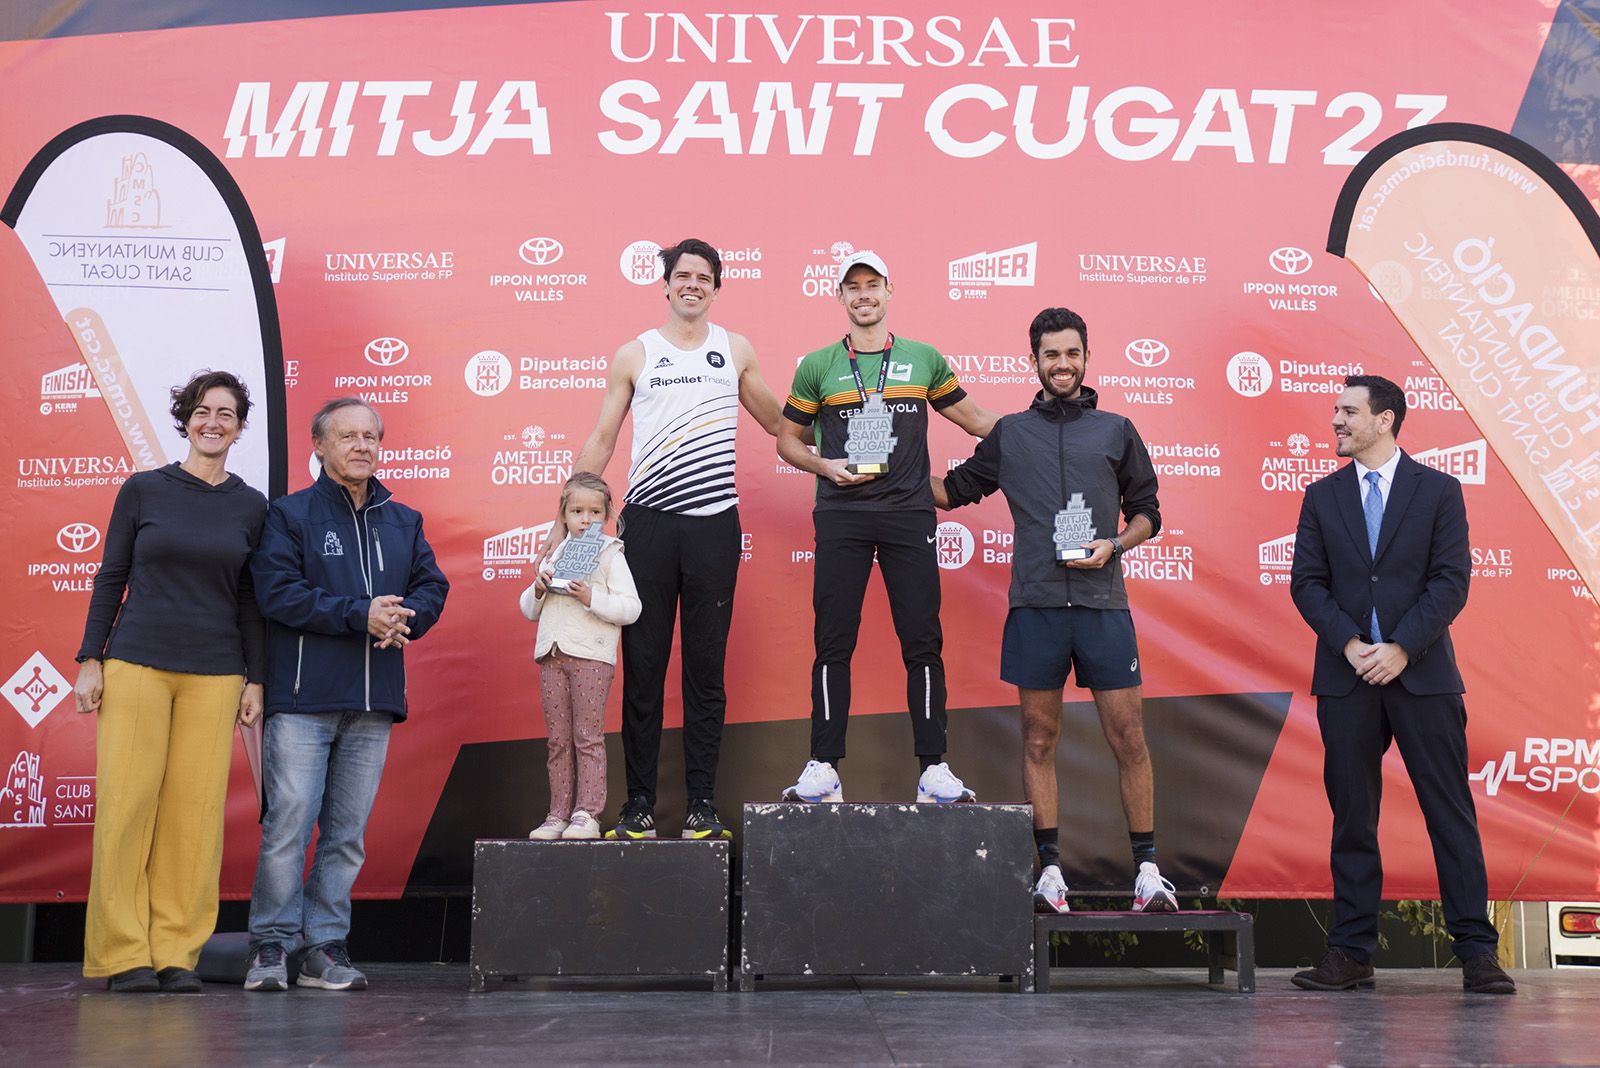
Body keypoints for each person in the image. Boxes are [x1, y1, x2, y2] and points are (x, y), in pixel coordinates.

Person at [934, 307, 1175, 914]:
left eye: (1071, 353)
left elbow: (1149, 512)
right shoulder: (1011, 433)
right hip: (1036, 606)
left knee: (1129, 737)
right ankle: (1049, 874)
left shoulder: (1117, 428)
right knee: (1039, 738)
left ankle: (1147, 871)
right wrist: (888, 475)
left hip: (1102, 605)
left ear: (1086, 356)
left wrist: (1115, 545)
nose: (1061, 364)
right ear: (1033, 361)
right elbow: (955, 491)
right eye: (1050, 355)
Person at [1288, 375, 1515, 994]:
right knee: (1353, 818)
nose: (1335, 420)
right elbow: (1307, 582)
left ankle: (1477, 953)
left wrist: (1401, 649)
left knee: (1450, 814)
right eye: (1336, 410)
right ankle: (1352, 952)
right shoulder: (1321, 495)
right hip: (1347, 676)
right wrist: (1352, 645)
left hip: (1423, 676)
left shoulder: (1438, 491)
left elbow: (1451, 580)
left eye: (1347, 411)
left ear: (1384, 420)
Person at [568, 237, 781, 841]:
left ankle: (702, 806)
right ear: (665, 285)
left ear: (717, 287)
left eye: (704, 277)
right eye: (682, 275)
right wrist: (570, 530)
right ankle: (637, 805)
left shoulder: (735, 349)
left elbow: (777, 421)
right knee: (645, 665)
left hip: (714, 527)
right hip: (649, 524)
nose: (692, 284)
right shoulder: (635, 354)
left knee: (706, 671)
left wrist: (849, 418)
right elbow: (604, 440)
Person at [243, 398, 448, 992]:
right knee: (288, 826)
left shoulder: (402, 518)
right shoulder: (289, 515)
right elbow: (277, 594)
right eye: (347, 436)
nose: (361, 446)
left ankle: (323, 947)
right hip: (305, 700)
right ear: (319, 446)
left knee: (346, 834)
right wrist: (360, 615)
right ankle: (272, 945)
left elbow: (432, 585)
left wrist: (404, 615)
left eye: (370, 437)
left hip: (373, 702)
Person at [72, 370, 267, 993]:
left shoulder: (251, 506)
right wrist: (89, 658)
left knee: (195, 818)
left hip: (216, 674)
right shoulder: (143, 490)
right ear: (186, 419)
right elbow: (111, 577)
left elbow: (250, 602)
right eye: (203, 411)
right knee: (128, 810)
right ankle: (122, 953)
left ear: (239, 428)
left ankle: (176, 953)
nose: (214, 422)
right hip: (136, 665)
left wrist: (254, 680)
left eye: (227, 414)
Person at [777, 250, 996, 804]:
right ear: (841, 297)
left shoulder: (923, 359)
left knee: (922, 641)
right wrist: (823, 464)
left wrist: (1037, 430)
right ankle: (823, 765)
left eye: (872, 284)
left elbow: (976, 422)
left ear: (889, 290)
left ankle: (933, 768)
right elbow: (786, 439)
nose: (863, 295)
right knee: (833, 642)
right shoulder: (819, 365)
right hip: (841, 513)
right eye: (853, 287)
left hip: (908, 515)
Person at [520, 473, 641, 840]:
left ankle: (587, 814)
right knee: (558, 740)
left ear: (606, 515)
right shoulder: (554, 553)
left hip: (591, 656)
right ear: (564, 514)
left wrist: (592, 599)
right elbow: (528, 609)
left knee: (587, 737)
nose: (585, 519)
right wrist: (539, 588)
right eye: (577, 511)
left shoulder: (609, 552)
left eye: (594, 512)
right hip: (552, 654)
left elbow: (631, 608)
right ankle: (558, 814)